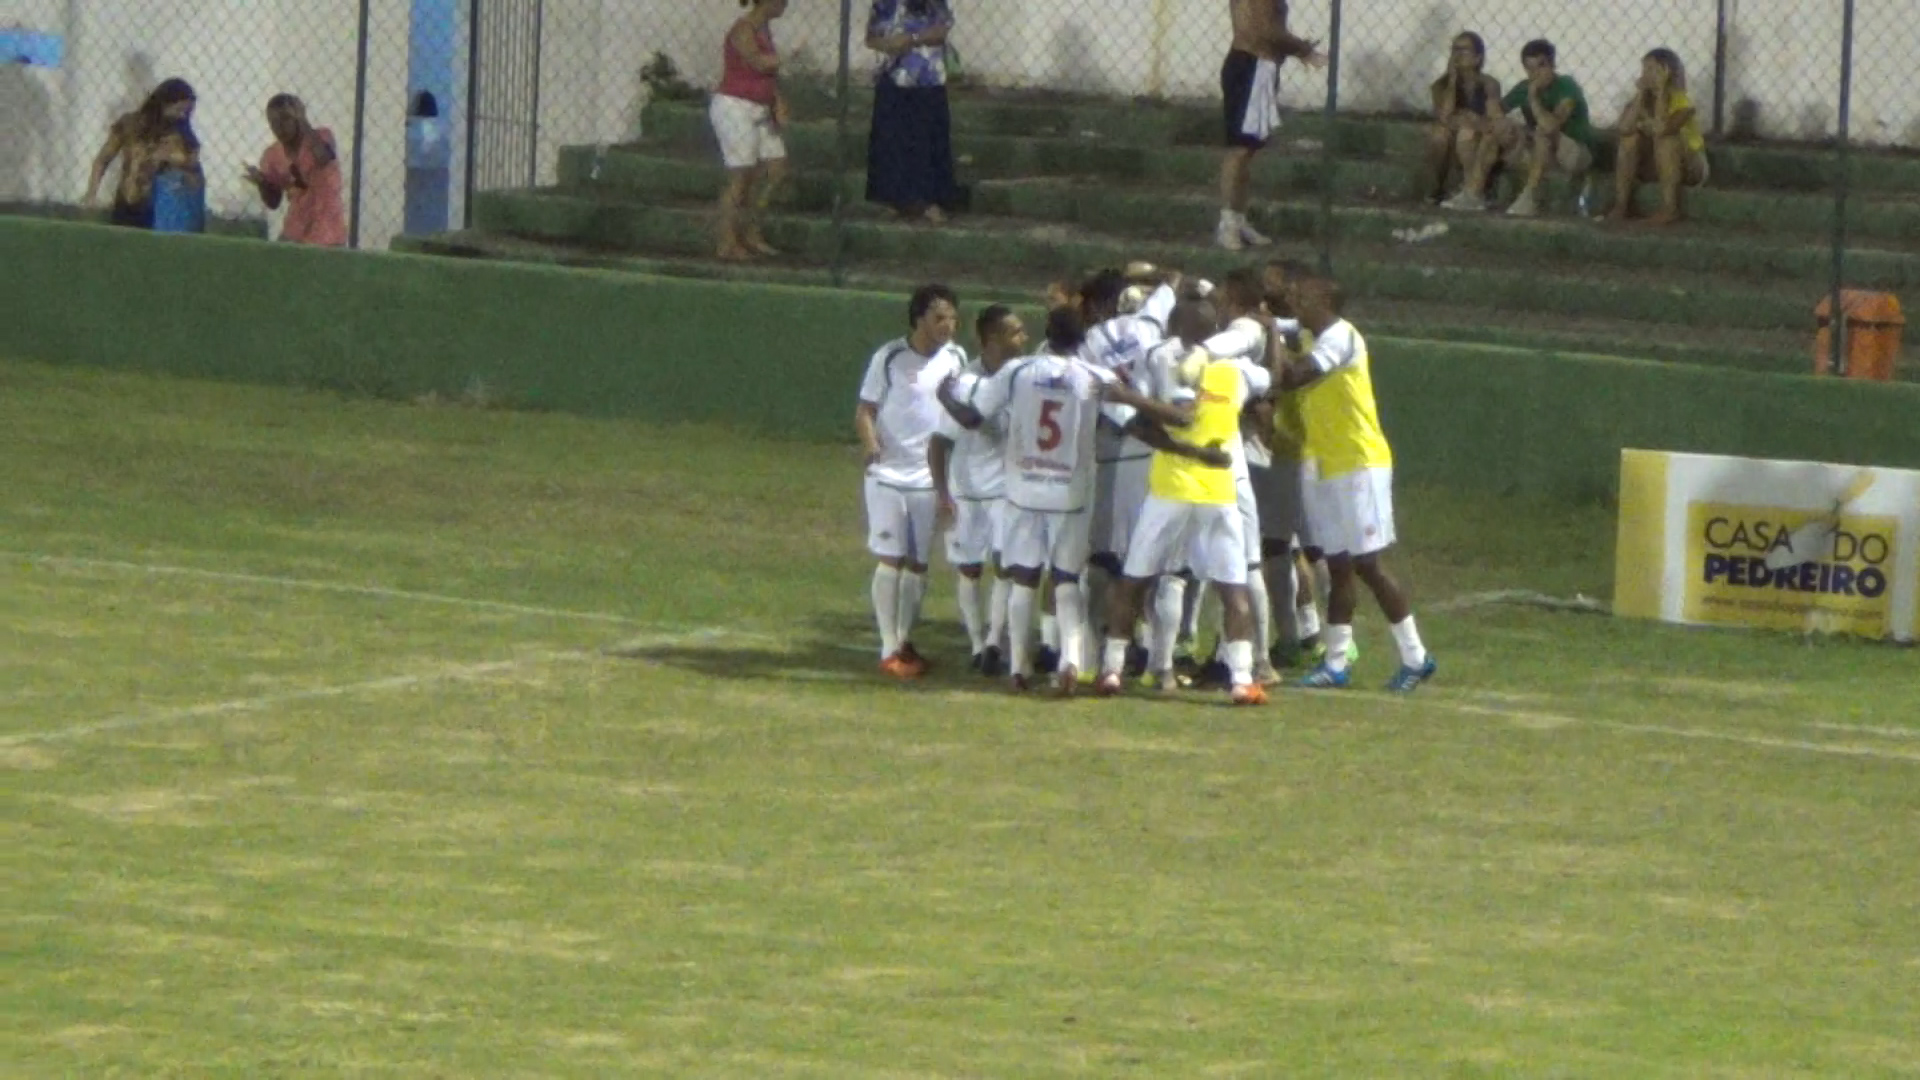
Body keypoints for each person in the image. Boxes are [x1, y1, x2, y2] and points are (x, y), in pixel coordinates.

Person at [941, 307, 1224, 693]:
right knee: (1067, 580)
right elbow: (1138, 426)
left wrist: (945, 396)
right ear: (1083, 339)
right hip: (1070, 493)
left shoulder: (1017, 372)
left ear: (1047, 333)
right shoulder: (1094, 376)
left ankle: (1019, 667)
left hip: (1023, 491)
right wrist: (1191, 452)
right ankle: (1071, 661)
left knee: (1024, 578)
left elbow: (973, 416)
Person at [1098, 292, 1275, 707]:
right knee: (1232, 587)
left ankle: (1112, 669)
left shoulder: (1164, 362)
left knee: (1135, 579)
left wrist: (1128, 398)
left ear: (1175, 328)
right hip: (1219, 491)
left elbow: (1165, 421)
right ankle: (1242, 679)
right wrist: (1272, 339)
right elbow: (1273, 379)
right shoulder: (1237, 371)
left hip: (1171, 490)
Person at [1279, 278, 1436, 692]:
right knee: (1339, 566)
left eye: (1304, 297)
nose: (1296, 303)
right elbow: (1275, 326)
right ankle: (1335, 663)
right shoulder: (1309, 334)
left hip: (1359, 463)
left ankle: (1416, 657)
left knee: (1368, 564)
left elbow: (1295, 375)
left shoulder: (1341, 337)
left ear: (1326, 302)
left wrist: (1271, 346)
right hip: (1325, 464)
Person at [857, 284, 968, 678]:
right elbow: (865, 409)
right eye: (939, 318)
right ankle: (889, 647)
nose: (948, 325)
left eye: (952, 318)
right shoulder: (889, 357)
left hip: (929, 477)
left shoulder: (956, 358)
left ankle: (904, 640)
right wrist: (872, 447)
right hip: (889, 475)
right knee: (891, 557)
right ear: (919, 319)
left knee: (918, 564)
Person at [928, 304, 1028, 676]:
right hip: (967, 491)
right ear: (992, 339)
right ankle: (975, 642)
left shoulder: (1022, 378)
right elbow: (939, 442)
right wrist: (942, 494)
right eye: (1016, 331)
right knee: (969, 568)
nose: (1024, 338)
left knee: (1005, 566)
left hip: (1006, 490)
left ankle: (993, 642)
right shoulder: (965, 382)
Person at [1218, 0, 1326, 251]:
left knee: (1248, 151)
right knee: (1239, 150)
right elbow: (1266, 30)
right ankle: (1227, 223)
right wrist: (1303, 49)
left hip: (1259, 67)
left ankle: (1238, 218)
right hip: (1250, 67)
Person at [1444, 39, 1594, 218]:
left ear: (1552, 65)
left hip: (1574, 152)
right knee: (1499, 128)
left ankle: (1530, 198)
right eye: (1530, 69)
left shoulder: (1566, 85)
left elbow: (1550, 126)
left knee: (1542, 133)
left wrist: (1533, 96)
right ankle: (1474, 193)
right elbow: (1495, 116)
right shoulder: (1523, 87)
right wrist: (1492, 117)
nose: (1535, 74)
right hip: (1542, 151)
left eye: (1541, 66)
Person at [865, 0, 958, 223]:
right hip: (892, 76)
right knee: (891, 139)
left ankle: (928, 200)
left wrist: (912, 39)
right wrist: (888, 44)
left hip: (927, 78)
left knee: (926, 138)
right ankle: (895, 199)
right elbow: (870, 38)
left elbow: (941, 30)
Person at [712, 0, 790, 261]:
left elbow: (769, 75)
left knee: (775, 169)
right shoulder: (743, 29)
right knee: (741, 176)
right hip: (736, 106)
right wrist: (788, 57)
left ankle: (752, 231)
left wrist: (777, 101)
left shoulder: (764, 29)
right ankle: (727, 241)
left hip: (760, 107)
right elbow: (758, 63)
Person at [84, 77, 202, 231]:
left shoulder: (182, 136)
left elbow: (194, 181)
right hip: (125, 202)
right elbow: (103, 160)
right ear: (164, 103)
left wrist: (176, 161)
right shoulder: (130, 125)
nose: (182, 116)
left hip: (159, 210)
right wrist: (92, 193)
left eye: (186, 112)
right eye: (179, 110)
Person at [1609, 48, 1709, 226]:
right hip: (1656, 166)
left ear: (1667, 72)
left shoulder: (1681, 99)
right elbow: (1624, 127)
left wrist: (1662, 90)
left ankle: (1670, 210)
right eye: (1644, 69)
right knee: (1629, 139)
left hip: (1691, 166)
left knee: (1666, 140)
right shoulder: (1641, 100)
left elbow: (1663, 128)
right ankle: (1621, 206)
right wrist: (1640, 95)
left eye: (1652, 69)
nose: (1645, 74)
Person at [246, 94, 346, 247]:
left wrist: (304, 123)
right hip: (295, 229)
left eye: (286, 119)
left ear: (298, 117)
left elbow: (323, 157)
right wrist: (262, 184)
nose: (280, 127)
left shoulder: (321, 137)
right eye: (274, 122)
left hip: (327, 229)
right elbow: (273, 202)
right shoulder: (272, 155)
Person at [1425, 32, 1502, 205]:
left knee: (1466, 133)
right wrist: (1452, 82)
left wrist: (1471, 121)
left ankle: (1473, 190)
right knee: (1438, 136)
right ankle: (1437, 189)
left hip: (1476, 137)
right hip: (1453, 134)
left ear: (1477, 58)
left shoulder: (1489, 84)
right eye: (1454, 50)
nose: (1457, 55)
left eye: (1464, 50)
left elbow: (1494, 119)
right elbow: (1443, 116)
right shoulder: (1441, 85)